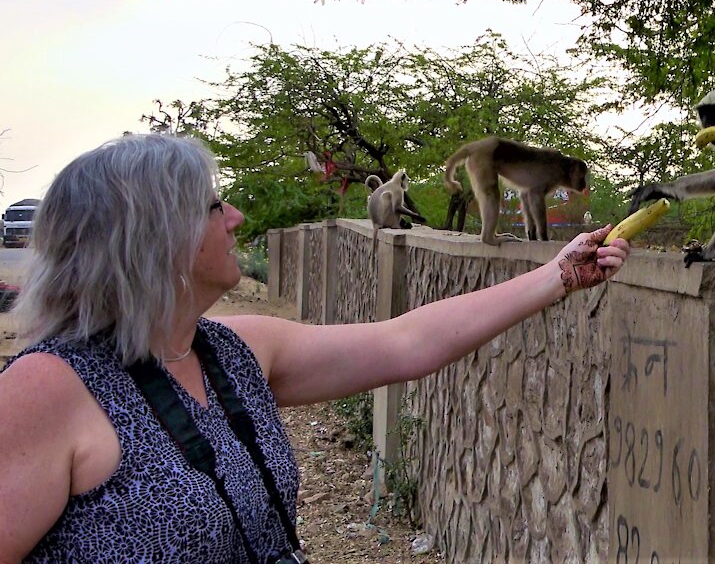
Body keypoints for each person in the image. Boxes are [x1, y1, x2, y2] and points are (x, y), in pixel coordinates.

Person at [0, 133, 630, 563]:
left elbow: (406, 341)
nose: (237, 218)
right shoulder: (48, 391)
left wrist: (558, 275)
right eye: (215, 206)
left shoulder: (229, 352)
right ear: (155, 238)